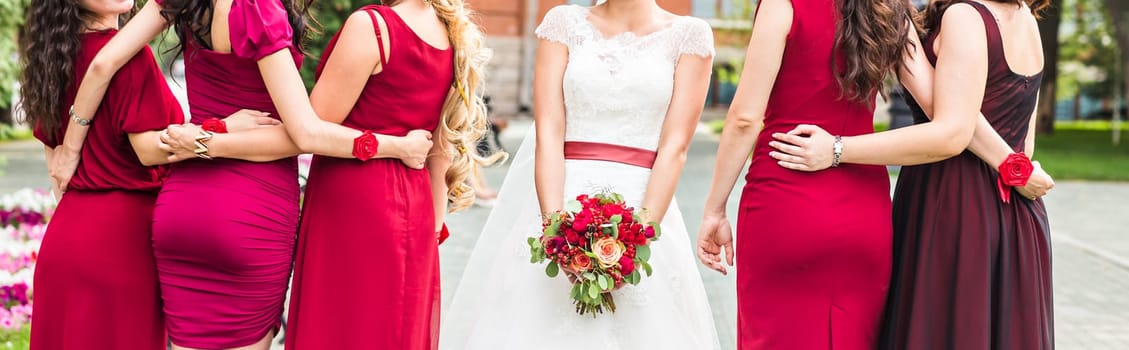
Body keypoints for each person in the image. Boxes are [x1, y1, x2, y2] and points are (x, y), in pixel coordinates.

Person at [47, 0, 435, 348]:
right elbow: (305, 133)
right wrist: (393, 145)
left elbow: (102, 64)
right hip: (250, 210)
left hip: (182, 207)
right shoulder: (259, 10)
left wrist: (71, 148)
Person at [690, 0, 1031, 346]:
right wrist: (1010, 160)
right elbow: (943, 107)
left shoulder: (783, 4)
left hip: (785, 199)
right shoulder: (889, 8)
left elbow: (744, 118)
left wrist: (714, 209)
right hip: (865, 214)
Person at [441, 1, 721, 348]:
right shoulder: (562, 23)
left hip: (644, 202)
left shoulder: (690, 36)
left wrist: (636, 238)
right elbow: (549, 132)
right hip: (561, 200)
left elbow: (675, 147)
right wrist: (556, 231)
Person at [283, 0, 499, 348]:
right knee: (392, 331)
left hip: (354, 201)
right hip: (416, 207)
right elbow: (441, 146)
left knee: (342, 328)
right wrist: (432, 225)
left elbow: (312, 127)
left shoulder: (371, 26)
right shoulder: (449, 30)